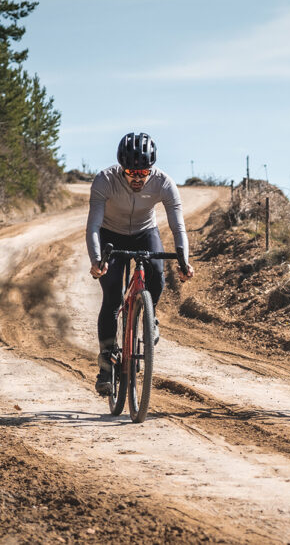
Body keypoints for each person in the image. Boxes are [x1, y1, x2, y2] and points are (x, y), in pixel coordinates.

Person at [86, 132, 194, 395]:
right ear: (122, 168)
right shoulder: (104, 180)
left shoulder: (164, 183)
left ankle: (150, 315)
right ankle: (106, 366)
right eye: (131, 172)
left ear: (151, 168)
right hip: (111, 234)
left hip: (145, 232)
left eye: (143, 172)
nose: (137, 178)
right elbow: (93, 226)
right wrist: (97, 260)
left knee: (157, 271)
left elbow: (178, 226)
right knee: (112, 298)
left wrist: (184, 261)